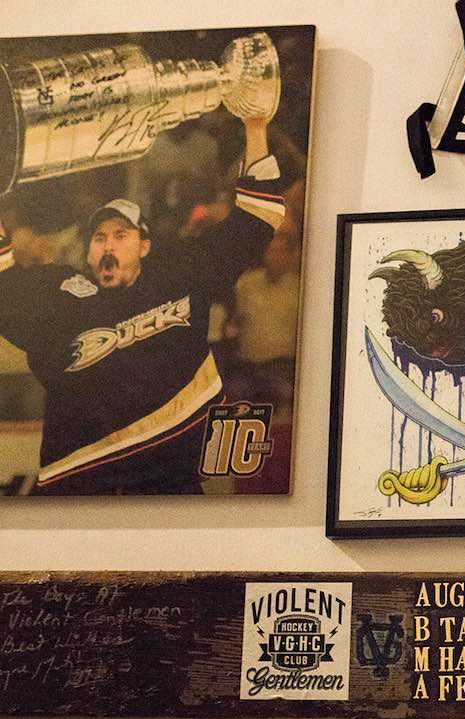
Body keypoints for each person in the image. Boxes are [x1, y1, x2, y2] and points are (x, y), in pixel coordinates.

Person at [0, 118, 287, 495]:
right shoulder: (60, 297)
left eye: (122, 235)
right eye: (99, 237)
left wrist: (254, 126)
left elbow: (258, 217)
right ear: (88, 252)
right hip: (81, 487)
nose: (109, 245)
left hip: (169, 479)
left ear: (145, 246)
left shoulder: (180, 275)